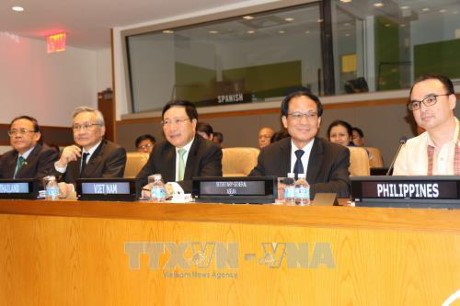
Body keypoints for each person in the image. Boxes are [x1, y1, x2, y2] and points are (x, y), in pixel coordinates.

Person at [249, 90, 350, 198]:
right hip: (278, 214)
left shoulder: (336, 153)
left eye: (311, 115)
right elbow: (250, 185)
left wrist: (296, 192)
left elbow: (343, 188)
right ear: (285, 121)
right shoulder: (269, 153)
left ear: (318, 121)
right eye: (297, 115)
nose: (304, 122)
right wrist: (272, 190)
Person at [136, 99, 222, 194]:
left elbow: (208, 184)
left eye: (178, 121)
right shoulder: (159, 150)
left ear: (193, 123)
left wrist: (170, 188)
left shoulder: (209, 149)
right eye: (167, 122)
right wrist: (145, 189)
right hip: (164, 208)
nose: (172, 128)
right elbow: (139, 183)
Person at [394, 74, 458, 175]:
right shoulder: (408, 149)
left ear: (451, 101)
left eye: (430, 100)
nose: (423, 109)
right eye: (416, 104)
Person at [54, 106, 127, 194]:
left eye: (87, 126)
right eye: (76, 127)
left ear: (102, 130)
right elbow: (46, 184)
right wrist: (61, 164)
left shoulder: (114, 152)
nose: (81, 132)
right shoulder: (70, 152)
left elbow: (106, 187)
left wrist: (72, 188)